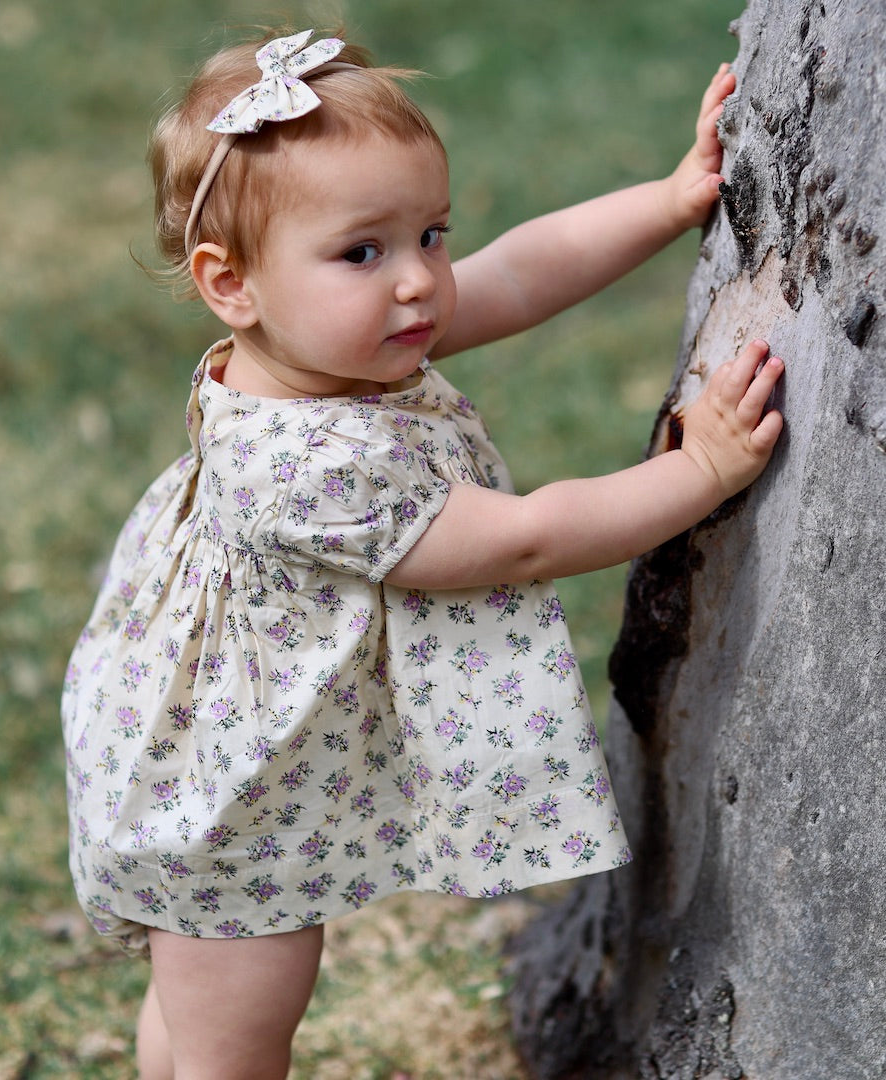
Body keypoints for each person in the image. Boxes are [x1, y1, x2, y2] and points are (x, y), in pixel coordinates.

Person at [61, 29, 784, 1080]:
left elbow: (522, 271)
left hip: (222, 759)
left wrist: (671, 200)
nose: (419, 282)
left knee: (195, 1006)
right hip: (221, 806)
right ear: (232, 286)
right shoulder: (310, 463)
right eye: (364, 251)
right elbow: (525, 536)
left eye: (431, 235)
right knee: (240, 1025)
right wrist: (703, 473)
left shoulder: (322, 345)